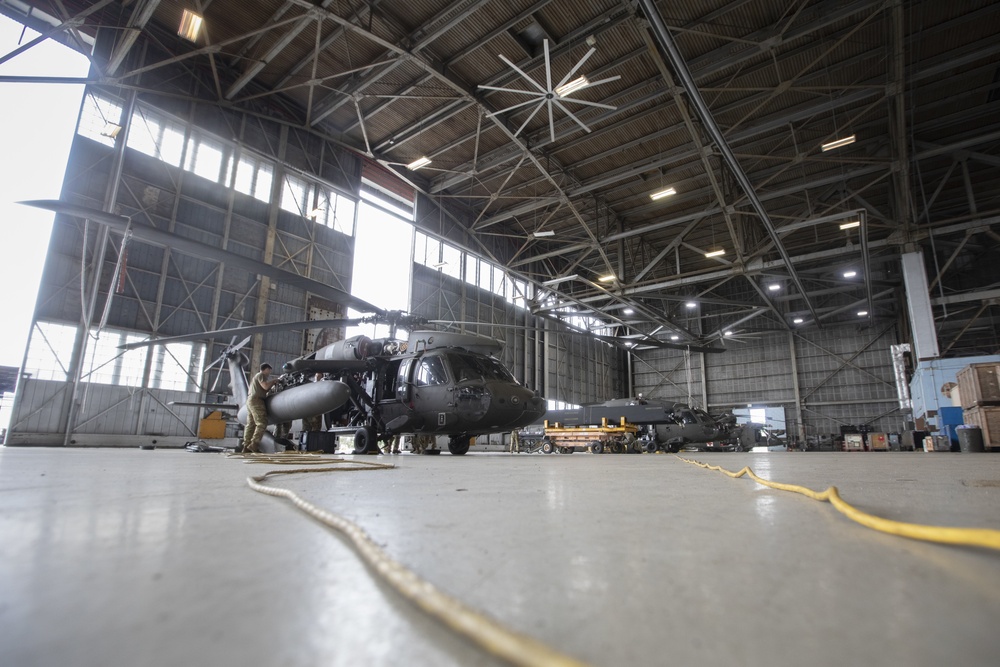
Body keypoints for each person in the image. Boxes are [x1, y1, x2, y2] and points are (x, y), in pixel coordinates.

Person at [242, 363, 283, 453]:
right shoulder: (261, 375)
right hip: (257, 400)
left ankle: (246, 446)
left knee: (251, 424)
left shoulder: (256, 377)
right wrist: (274, 381)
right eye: (269, 370)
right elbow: (265, 386)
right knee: (262, 423)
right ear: (266, 369)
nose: (269, 373)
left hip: (250, 400)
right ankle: (254, 445)